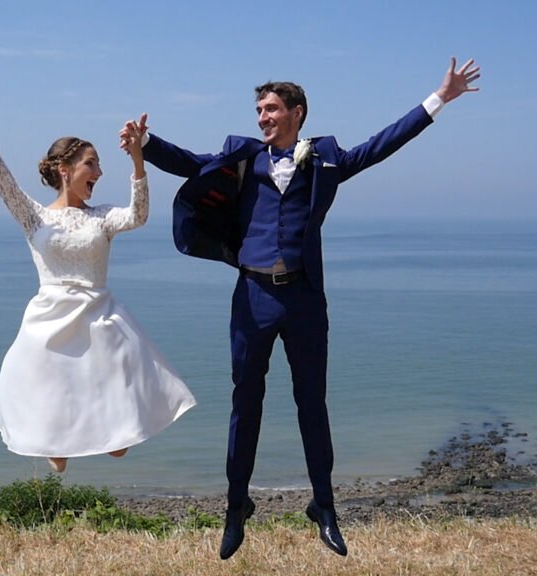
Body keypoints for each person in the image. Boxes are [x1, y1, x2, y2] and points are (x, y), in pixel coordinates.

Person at [122, 57, 480, 558]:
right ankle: (236, 506)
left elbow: (382, 144)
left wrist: (439, 98)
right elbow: (189, 163)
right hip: (254, 296)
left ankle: (325, 507)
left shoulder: (326, 161)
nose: (262, 117)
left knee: (312, 403)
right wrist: (146, 145)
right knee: (245, 403)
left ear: (296, 112)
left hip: (305, 298)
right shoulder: (243, 158)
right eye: (259, 110)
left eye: (270, 109)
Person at [0, 50, 196, 474]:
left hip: (100, 319)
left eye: (101, 164)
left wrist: (138, 159)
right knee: (56, 455)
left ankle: (98, 423)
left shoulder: (102, 216)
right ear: (64, 170)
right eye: (92, 164)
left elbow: (138, 215)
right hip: (49, 323)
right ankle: (59, 429)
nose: (99, 172)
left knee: (121, 445)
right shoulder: (33, 215)